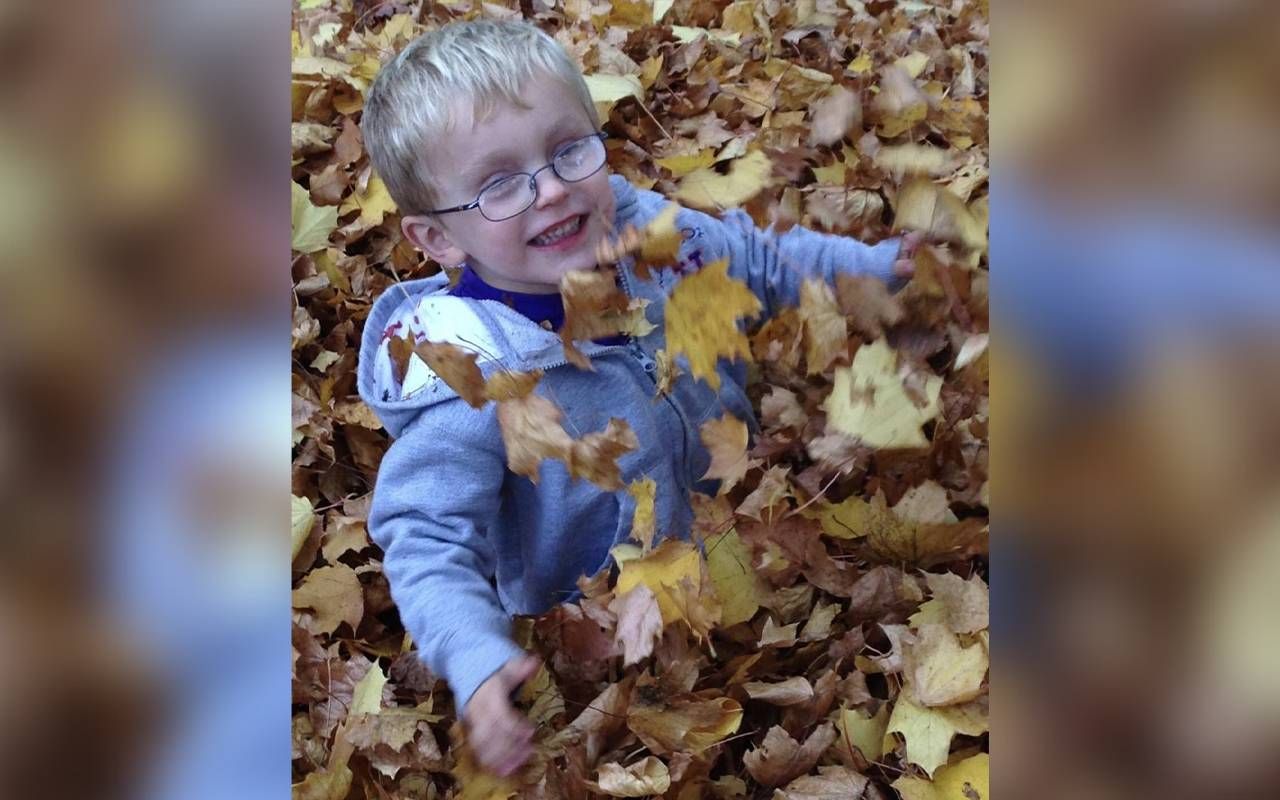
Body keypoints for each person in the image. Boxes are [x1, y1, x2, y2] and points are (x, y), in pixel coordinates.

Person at [356, 18, 920, 776]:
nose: (551, 189)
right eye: (497, 184)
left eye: (567, 150)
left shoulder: (656, 239)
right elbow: (424, 534)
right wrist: (475, 653)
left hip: (738, 526)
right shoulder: (470, 382)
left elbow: (757, 258)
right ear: (438, 241)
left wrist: (877, 265)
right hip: (590, 613)